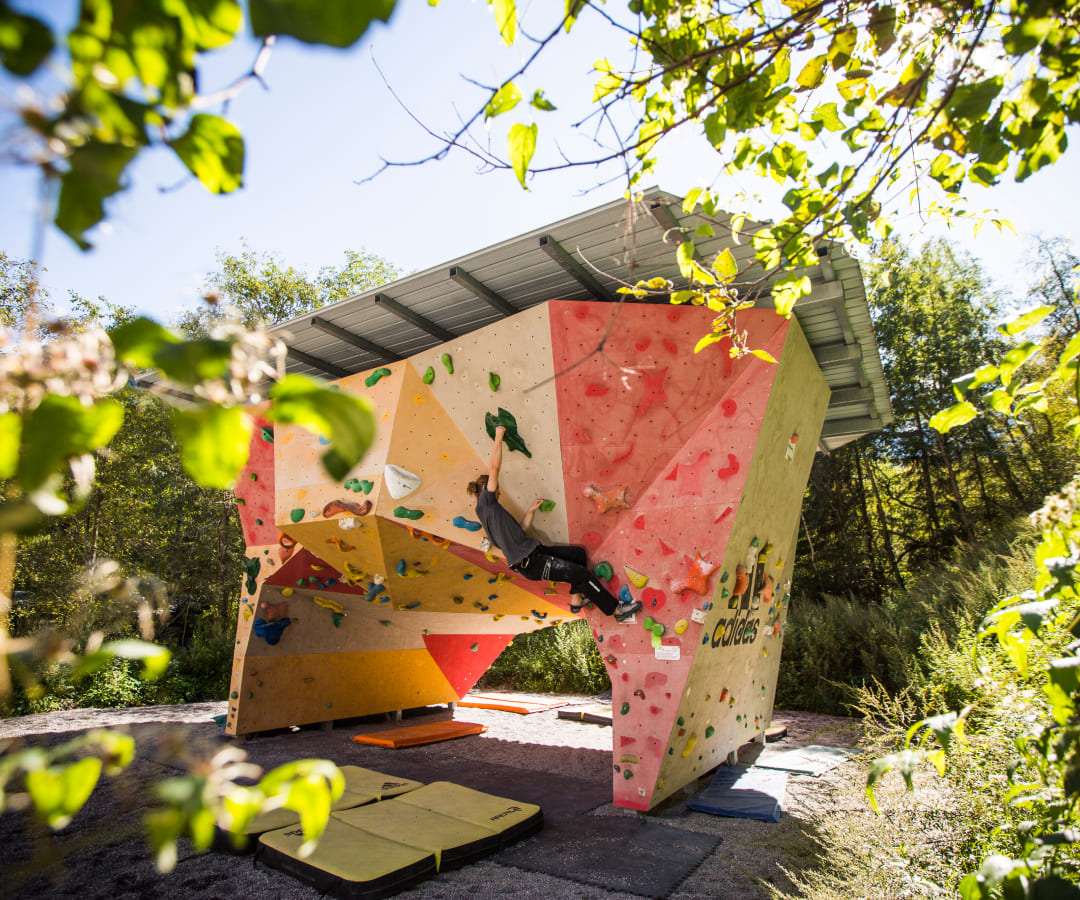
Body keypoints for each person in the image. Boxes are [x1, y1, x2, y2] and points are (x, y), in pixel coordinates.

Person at [467, 425, 642, 623]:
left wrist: (531, 512)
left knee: (578, 555)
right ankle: (617, 611)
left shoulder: (492, 517)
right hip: (531, 563)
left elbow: (519, 532)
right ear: (485, 490)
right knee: (580, 574)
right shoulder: (486, 503)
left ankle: (577, 598)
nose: (498, 492)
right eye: (495, 489)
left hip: (535, 553)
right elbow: (494, 468)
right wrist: (498, 437)